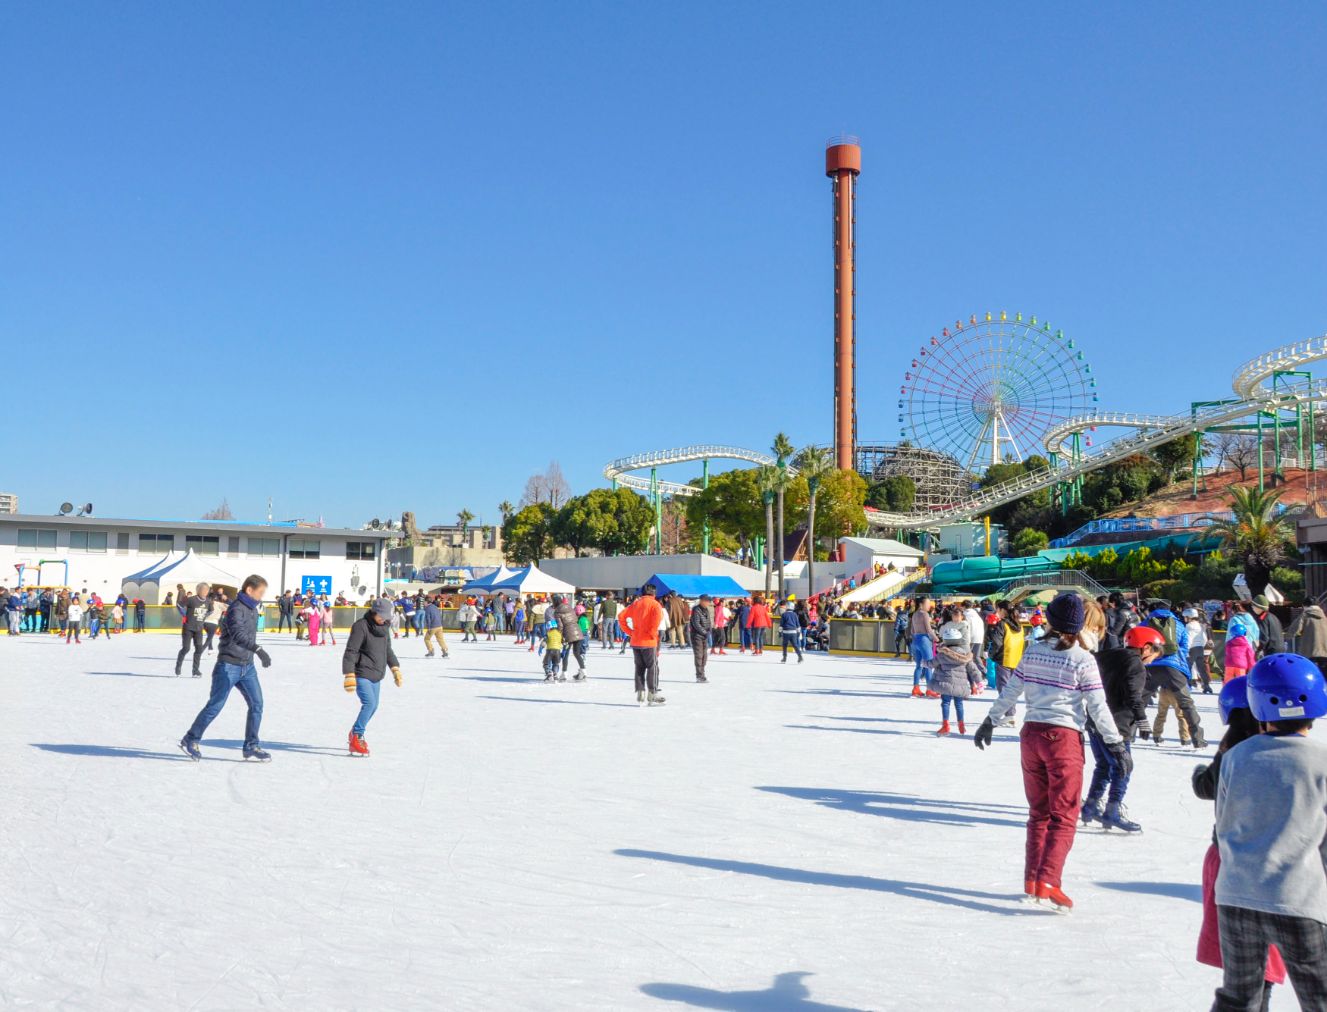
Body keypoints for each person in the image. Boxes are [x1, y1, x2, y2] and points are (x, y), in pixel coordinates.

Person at [975, 593, 1131, 911]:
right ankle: (1049, 880)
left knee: (1039, 813)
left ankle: (1033, 880)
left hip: (1031, 736)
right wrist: (1115, 743)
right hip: (1062, 739)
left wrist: (990, 721)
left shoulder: (1034, 651)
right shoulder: (1082, 658)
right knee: (1064, 814)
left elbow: (1012, 689)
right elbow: (1097, 706)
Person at [1209, 653, 1327, 1009]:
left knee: (1239, 997)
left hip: (1235, 894)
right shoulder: (1321, 761)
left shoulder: (1235, 757)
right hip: (1297, 897)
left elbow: (1223, 824)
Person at [1192, 674, 1287, 1008]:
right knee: (1260, 968)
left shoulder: (1232, 748)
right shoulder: (1281, 749)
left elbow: (1205, 787)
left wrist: (1199, 771)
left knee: (1244, 966)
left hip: (1227, 861)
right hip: (1268, 866)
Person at [178, 575, 272, 762]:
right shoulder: (236, 609)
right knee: (215, 705)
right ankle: (190, 739)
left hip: (247, 667)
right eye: (260, 592)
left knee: (257, 704)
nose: (262, 597)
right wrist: (258, 649)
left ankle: (251, 746)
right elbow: (237, 635)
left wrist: (253, 654)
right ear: (249, 590)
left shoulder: (252, 609)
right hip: (228, 666)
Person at [1082, 624, 1159, 832]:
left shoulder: (1107, 655)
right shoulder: (1135, 664)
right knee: (1123, 767)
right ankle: (1112, 811)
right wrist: (1142, 721)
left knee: (1104, 766)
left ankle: (1090, 806)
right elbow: (1133, 696)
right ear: (1146, 648)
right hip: (1117, 724)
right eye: (1154, 652)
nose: (1153, 659)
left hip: (1095, 718)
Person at [341, 598, 403, 756]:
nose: (383, 619)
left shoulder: (384, 628)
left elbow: (387, 650)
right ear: (374, 612)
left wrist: (395, 668)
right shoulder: (361, 626)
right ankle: (357, 736)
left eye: (386, 617)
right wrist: (349, 674)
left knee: (374, 706)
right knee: (369, 704)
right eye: (381, 615)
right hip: (362, 673)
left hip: (377, 673)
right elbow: (351, 651)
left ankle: (355, 731)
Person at [1145, 599, 1206, 749]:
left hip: (1150, 666)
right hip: (1174, 667)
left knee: (1137, 700)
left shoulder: (1146, 623)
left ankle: (1127, 734)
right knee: (1186, 703)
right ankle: (1197, 739)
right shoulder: (1178, 624)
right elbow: (1185, 645)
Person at [618, 584, 666, 706]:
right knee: (652, 667)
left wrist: (630, 632)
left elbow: (621, 616)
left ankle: (640, 691)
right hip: (649, 641)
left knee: (639, 667)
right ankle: (652, 693)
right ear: (654, 593)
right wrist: (651, 633)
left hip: (636, 641)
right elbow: (656, 621)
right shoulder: (655, 605)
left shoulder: (636, 604)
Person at [931, 621, 971, 736]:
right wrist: (977, 681)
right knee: (959, 704)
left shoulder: (942, 654)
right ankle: (961, 724)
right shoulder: (965, 654)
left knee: (945, 703)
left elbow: (932, 663)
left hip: (946, 683)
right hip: (960, 684)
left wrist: (923, 662)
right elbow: (972, 668)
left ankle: (945, 725)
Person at [175, 583, 210, 677]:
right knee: (186, 648)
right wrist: (184, 615)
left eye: (207, 590)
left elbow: (211, 610)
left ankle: (195, 671)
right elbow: (179, 605)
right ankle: (178, 667)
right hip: (188, 628)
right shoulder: (191, 599)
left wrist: (204, 617)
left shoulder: (208, 601)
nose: (205, 592)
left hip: (199, 629)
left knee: (199, 649)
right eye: (203, 590)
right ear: (198, 590)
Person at [1288, 601, 1327, 676]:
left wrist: (1287, 636)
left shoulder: (1305, 615)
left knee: (1309, 674)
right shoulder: (1324, 616)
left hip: (1309, 652)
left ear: (1304, 605)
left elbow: (1294, 630)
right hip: (1325, 652)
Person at [909, 598, 938, 699]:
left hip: (916, 640)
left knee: (919, 666)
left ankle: (915, 688)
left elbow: (912, 631)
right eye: (928, 603)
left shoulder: (914, 614)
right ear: (922, 604)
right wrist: (937, 639)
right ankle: (930, 689)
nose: (929, 605)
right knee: (928, 665)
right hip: (924, 640)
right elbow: (929, 630)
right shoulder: (924, 614)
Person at [1185, 607, 1213, 694]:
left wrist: (1186, 649)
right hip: (1200, 648)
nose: (1185, 619)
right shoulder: (1200, 625)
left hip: (1191, 648)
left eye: (1185, 617)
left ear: (1189, 617)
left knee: (1187, 667)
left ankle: (1188, 684)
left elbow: (1188, 638)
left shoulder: (1188, 626)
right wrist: (1201, 645)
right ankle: (1206, 685)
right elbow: (1204, 638)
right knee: (1201, 668)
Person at [690, 594, 713, 682]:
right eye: (706, 601)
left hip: (704, 636)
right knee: (699, 656)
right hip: (697, 636)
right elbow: (696, 623)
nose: (708, 603)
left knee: (704, 656)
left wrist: (709, 631)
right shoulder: (696, 609)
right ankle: (699, 675)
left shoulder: (706, 610)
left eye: (708, 601)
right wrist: (704, 632)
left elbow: (709, 622)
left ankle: (702, 673)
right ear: (701, 601)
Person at [777, 596, 804, 664]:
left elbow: (781, 625)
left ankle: (784, 658)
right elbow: (798, 624)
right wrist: (798, 632)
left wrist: (780, 632)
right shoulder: (795, 614)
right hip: (793, 632)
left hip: (786, 632)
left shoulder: (784, 614)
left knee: (785, 645)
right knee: (795, 645)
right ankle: (800, 656)